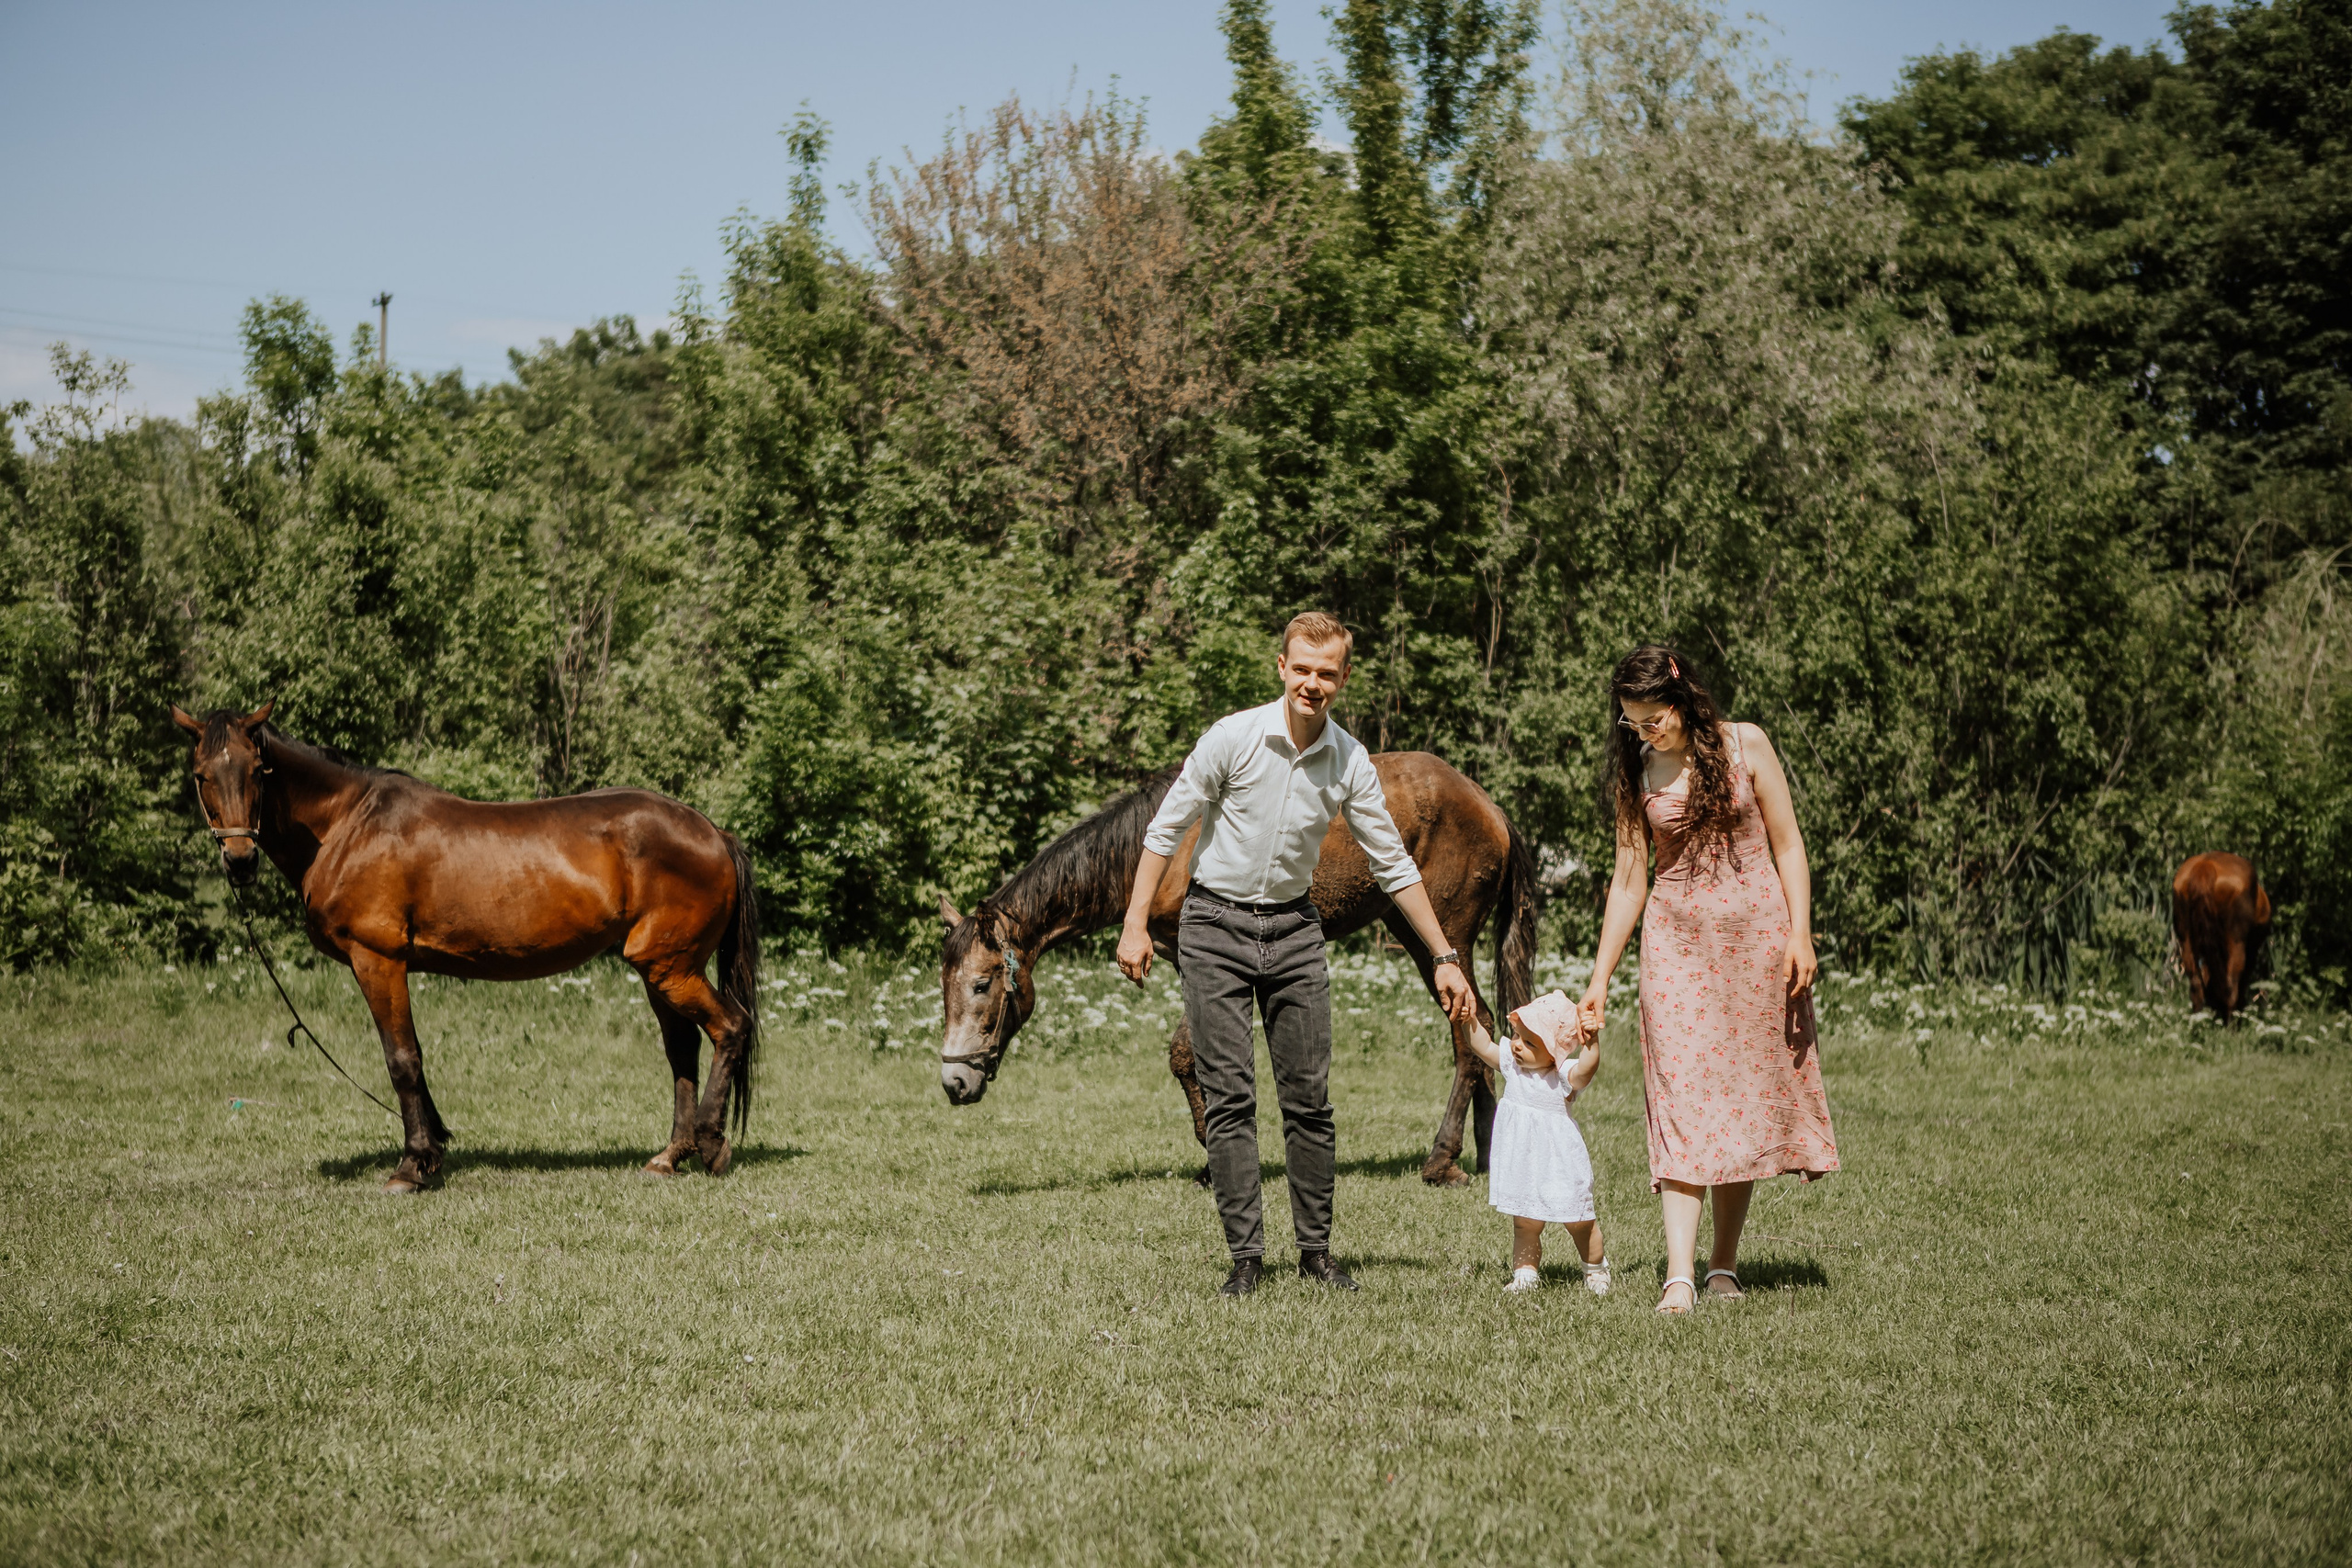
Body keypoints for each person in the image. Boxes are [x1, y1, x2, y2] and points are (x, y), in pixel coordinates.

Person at [1116, 612, 1476, 1297]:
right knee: (1230, 1100)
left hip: (1293, 930)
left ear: (1343, 678)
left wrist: (1445, 954)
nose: (1313, 683)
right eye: (1302, 669)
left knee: (1310, 1103)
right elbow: (1165, 828)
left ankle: (1316, 1252)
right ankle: (1246, 1258)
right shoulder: (1234, 737)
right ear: (1281, 666)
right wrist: (1135, 921)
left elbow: (1394, 863)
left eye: (1327, 673)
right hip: (1215, 925)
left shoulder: (1347, 758)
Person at [1577, 647, 1838, 1316]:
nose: (1644, 732)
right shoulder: (1638, 772)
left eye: (1653, 719)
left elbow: (1788, 843)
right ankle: (1680, 1274)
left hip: (1757, 946)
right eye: (1631, 723)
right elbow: (1630, 878)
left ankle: (1724, 1264)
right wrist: (1600, 975)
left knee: (1741, 1102)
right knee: (1684, 1099)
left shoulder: (1746, 743)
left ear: (1682, 697)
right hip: (1677, 949)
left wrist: (1801, 932)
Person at [1459, 991, 1611, 1296]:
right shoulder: (1513, 1066)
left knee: (1578, 1221)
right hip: (1523, 1164)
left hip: (1559, 1163)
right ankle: (1525, 1273)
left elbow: (1585, 1070)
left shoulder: (1562, 1075)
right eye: (1517, 1035)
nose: (1517, 1045)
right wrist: (1469, 1020)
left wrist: (1591, 1042)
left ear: (1555, 1053)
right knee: (1525, 1222)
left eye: (1530, 1043)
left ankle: (1595, 1268)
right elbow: (1482, 1045)